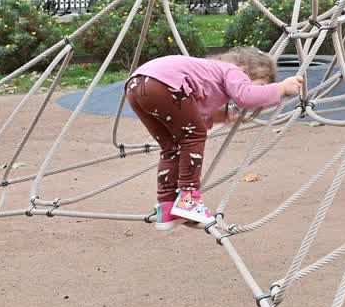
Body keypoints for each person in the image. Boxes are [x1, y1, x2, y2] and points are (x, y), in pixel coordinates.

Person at [124, 46, 304, 227]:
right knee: (194, 136)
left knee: (171, 147)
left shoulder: (209, 74)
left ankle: (167, 207)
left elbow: (188, 112)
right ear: (246, 71)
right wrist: (280, 88)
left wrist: (219, 116)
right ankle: (189, 202)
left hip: (135, 86)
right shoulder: (234, 70)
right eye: (262, 86)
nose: (261, 93)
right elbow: (246, 96)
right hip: (163, 83)